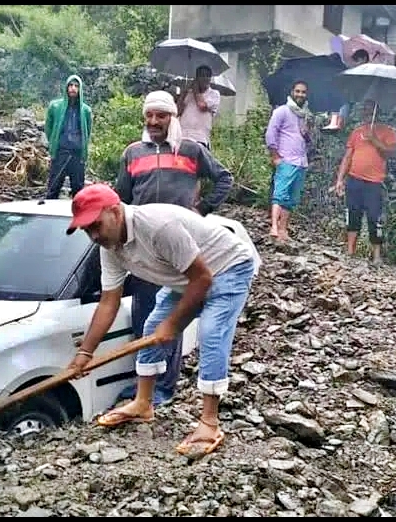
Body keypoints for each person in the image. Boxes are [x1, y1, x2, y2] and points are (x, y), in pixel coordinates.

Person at [65, 183, 255, 455]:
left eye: (96, 225)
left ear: (115, 212)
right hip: (187, 278)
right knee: (152, 327)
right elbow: (109, 302)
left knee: (211, 333)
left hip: (228, 267)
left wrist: (175, 324)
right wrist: (85, 352)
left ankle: (210, 422)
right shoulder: (110, 248)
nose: (93, 235)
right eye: (86, 230)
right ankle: (143, 403)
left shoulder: (157, 227)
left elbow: (203, 279)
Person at [114, 90, 233, 405]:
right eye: (149, 115)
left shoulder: (191, 150)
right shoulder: (133, 153)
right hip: (143, 247)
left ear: (172, 118)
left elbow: (224, 179)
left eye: (161, 115)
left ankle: (166, 387)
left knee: (172, 316)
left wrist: (202, 209)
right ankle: (145, 388)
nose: (154, 121)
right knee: (144, 315)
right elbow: (120, 199)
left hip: (178, 248)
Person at [333, 100, 396, 264]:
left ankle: (376, 256)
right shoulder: (356, 132)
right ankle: (350, 251)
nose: (367, 112)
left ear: (378, 111)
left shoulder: (388, 131)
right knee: (352, 214)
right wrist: (340, 179)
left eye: (371, 109)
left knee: (374, 218)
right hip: (354, 179)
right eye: (365, 109)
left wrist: (374, 139)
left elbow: (390, 153)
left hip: (374, 182)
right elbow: (348, 156)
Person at [265, 80, 312, 241]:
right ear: (292, 92)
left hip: (301, 161)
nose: (300, 94)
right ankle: (274, 227)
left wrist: (306, 133)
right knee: (280, 194)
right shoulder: (282, 111)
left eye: (303, 92)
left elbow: (306, 140)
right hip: (286, 159)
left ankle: (284, 229)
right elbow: (271, 133)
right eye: (297, 91)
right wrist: (275, 156)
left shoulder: (305, 115)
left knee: (292, 198)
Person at [44, 75, 93, 200]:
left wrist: (82, 150)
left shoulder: (85, 110)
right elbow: (49, 129)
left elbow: (87, 131)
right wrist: (55, 143)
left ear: (80, 89)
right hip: (61, 152)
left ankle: (77, 218)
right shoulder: (55, 107)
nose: (73, 88)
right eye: (70, 85)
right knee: (53, 188)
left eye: (76, 86)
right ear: (66, 87)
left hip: (77, 154)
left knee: (78, 190)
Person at [325, 49, 370, 131]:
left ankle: (339, 123)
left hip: (358, 100)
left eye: (358, 60)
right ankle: (335, 121)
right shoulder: (355, 71)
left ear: (364, 59)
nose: (355, 63)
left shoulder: (368, 73)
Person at [177, 65, 221, 150]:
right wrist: (184, 92)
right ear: (197, 78)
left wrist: (195, 90)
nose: (205, 78)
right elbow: (178, 111)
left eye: (207, 76)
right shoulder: (189, 94)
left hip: (200, 138)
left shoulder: (214, 94)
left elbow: (202, 106)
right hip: (183, 136)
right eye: (202, 75)